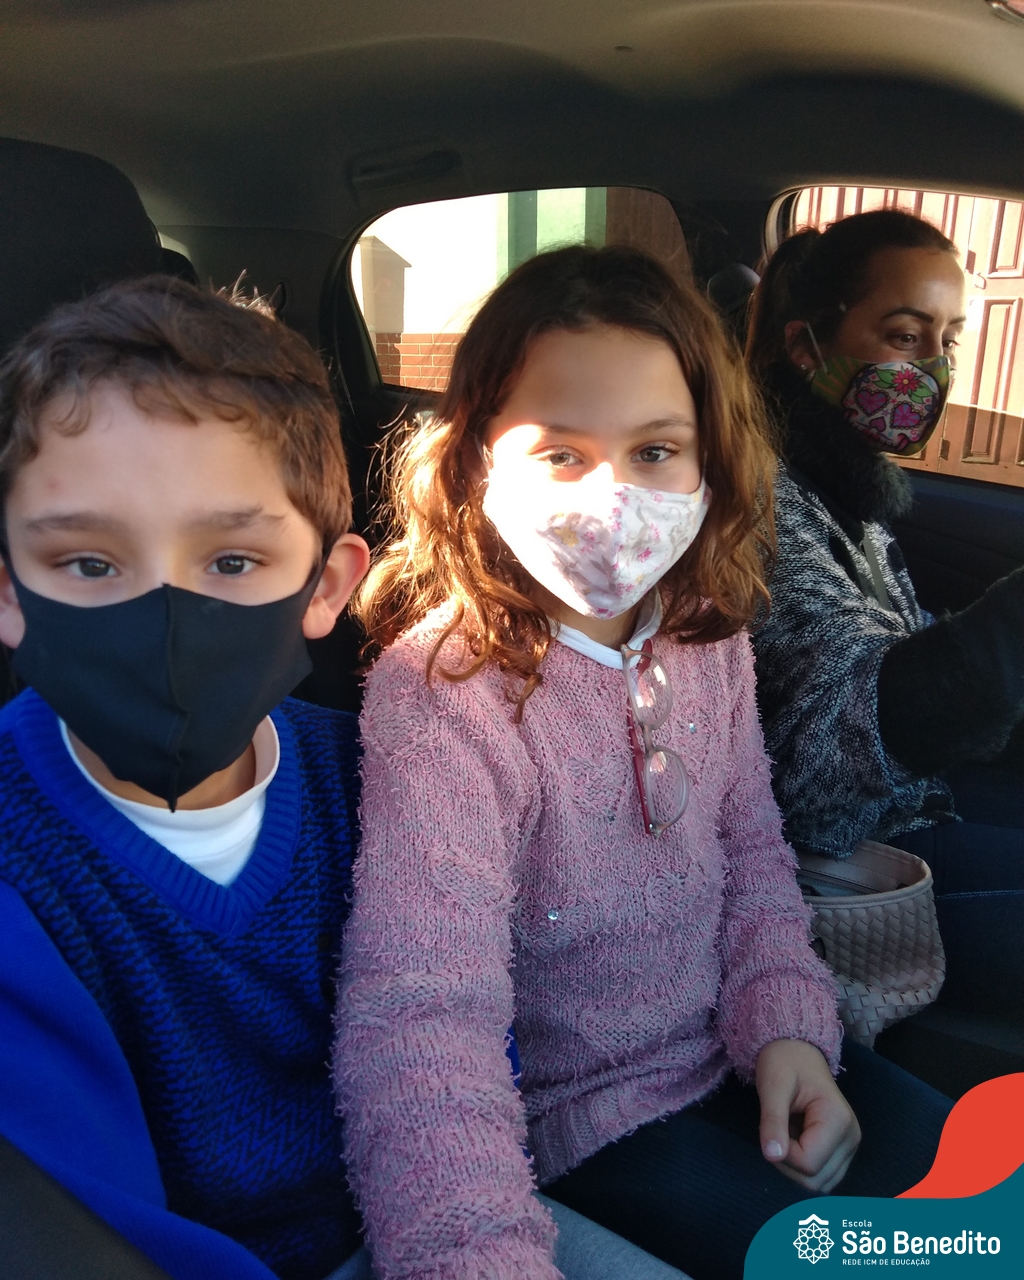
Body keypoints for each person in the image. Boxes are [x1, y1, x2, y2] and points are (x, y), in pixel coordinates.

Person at [0, 275, 694, 1280]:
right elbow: (82, 1233)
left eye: (231, 561)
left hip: (447, 1207)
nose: (165, 621)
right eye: (90, 564)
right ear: (9, 591)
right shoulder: (18, 866)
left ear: (326, 586)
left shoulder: (376, 774)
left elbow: (461, 1035)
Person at [334, 246, 952, 1280]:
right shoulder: (446, 692)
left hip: (736, 1055)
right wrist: (472, 1253)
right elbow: (421, 1012)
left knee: (986, 1200)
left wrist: (788, 1030)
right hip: (585, 1123)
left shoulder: (708, 633)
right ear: (479, 461)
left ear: (710, 458)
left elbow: (752, 856)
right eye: (560, 453)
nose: (613, 496)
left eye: (656, 450)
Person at [745, 209, 1024, 1015]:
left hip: (913, 799)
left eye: (949, 339)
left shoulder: (844, 476)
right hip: (849, 856)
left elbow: (894, 635)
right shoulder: (762, 500)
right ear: (807, 347)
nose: (933, 366)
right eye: (906, 336)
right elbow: (835, 733)